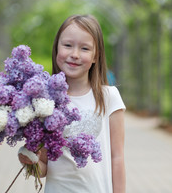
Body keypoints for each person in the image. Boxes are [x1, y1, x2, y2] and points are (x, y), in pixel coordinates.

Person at [18, 14, 126, 193]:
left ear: (95, 56)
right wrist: (31, 160)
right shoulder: (44, 102)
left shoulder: (109, 97)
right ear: (56, 49)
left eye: (84, 48)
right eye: (67, 45)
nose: (74, 54)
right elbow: (44, 168)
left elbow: (117, 158)